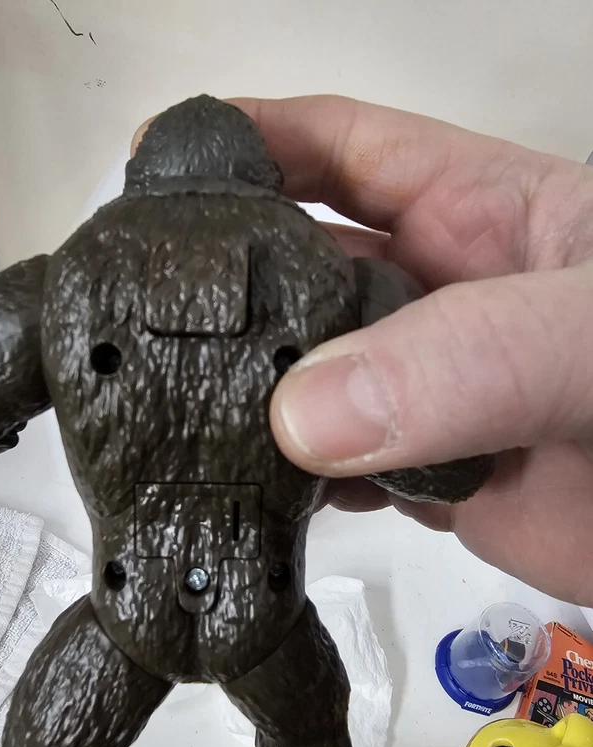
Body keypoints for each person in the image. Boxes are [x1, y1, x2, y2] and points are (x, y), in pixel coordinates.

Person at [132, 96, 593, 607]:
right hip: (257, 569)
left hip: (158, 558)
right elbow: (451, 471)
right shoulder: (329, 274)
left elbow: (448, 463)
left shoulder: (94, 275)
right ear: (267, 181)